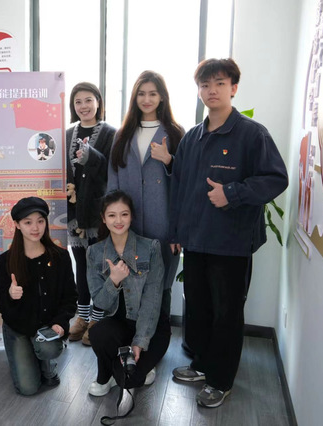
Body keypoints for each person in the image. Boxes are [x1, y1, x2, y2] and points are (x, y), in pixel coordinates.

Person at [169, 58, 288, 408]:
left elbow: (275, 178)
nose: (212, 90)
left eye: (219, 83)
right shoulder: (192, 137)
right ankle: (202, 365)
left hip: (231, 243)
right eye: (205, 85)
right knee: (199, 308)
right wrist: (176, 231)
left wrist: (232, 193)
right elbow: (180, 188)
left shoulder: (252, 134)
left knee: (227, 313)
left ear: (233, 88)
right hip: (196, 242)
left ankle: (220, 381)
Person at [107, 70, 184, 384]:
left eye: (153, 93)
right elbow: (113, 182)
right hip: (128, 228)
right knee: (129, 288)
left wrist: (169, 161)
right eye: (141, 93)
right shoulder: (123, 134)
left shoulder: (175, 133)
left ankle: (151, 354)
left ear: (162, 97)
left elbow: (185, 186)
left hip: (163, 229)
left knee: (159, 290)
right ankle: (130, 349)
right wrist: (113, 225)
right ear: (134, 97)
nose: (147, 99)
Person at [0, 197, 78, 395]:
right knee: (28, 388)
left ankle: (47, 364)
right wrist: (10, 295)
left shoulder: (60, 257)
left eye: (40, 221)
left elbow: (70, 297)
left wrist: (60, 322)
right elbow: (0, 303)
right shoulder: (4, 261)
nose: (35, 228)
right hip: (18, 328)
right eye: (28, 222)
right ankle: (27, 355)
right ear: (17, 224)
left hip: (47, 327)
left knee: (49, 349)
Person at [86, 191, 163, 403]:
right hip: (116, 325)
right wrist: (113, 281)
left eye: (124, 214)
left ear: (131, 216)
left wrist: (140, 341)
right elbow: (100, 303)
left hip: (149, 325)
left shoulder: (151, 248)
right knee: (98, 333)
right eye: (112, 215)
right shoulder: (94, 252)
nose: (118, 220)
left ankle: (134, 361)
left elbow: (152, 301)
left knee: (132, 380)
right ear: (103, 218)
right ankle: (107, 374)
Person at [66, 82, 117, 345]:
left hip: (98, 213)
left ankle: (98, 317)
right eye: (78, 102)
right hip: (74, 212)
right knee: (81, 266)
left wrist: (91, 155)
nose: (83, 106)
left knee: (100, 267)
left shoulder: (111, 133)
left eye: (88, 100)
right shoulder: (67, 134)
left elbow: (112, 170)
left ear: (98, 101)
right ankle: (82, 316)